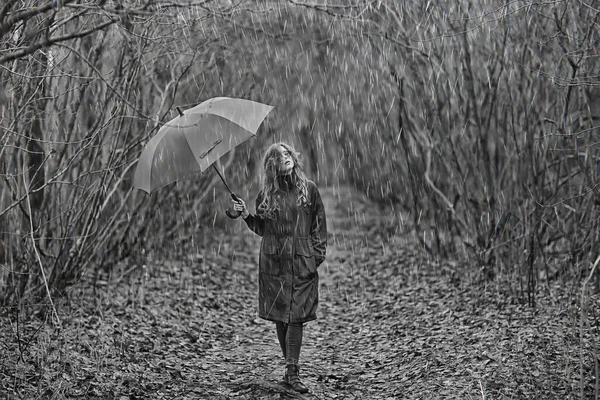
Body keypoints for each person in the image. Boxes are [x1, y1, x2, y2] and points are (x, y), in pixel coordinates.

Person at [232, 142, 327, 393]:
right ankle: (290, 369)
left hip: (301, 262)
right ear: (272, 164)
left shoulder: (309, 190)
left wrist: (315, 256)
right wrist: (245, 215)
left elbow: (319, 225)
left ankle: (292, 372)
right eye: (279, 156)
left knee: (296, 317)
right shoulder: (266, 194)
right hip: (273, 263)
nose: (285, 158)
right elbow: (262, 229)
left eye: (287, 154)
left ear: (293, 158)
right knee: (281, 317)